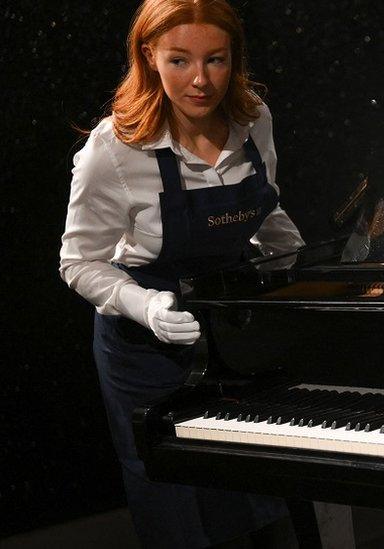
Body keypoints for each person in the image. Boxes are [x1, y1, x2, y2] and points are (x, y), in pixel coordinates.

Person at [59, 0, 305, 546]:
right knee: (179, 507)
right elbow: (79, 263)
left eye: (215, 60)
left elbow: (266, 207)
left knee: (257, 489)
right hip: (147, 347)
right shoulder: (115, 149)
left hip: (231, 327)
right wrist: (144, 306)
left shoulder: (252, 118)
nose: (200, 80)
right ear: (149, 56)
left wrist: (295, 258)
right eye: (179, 61)